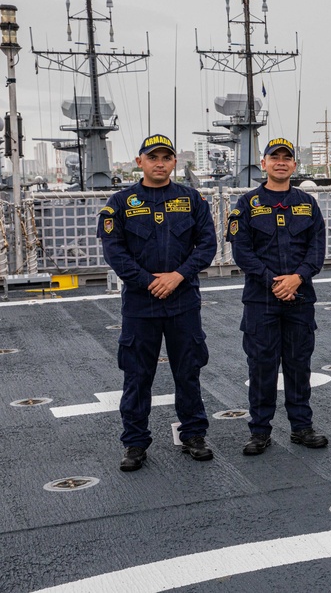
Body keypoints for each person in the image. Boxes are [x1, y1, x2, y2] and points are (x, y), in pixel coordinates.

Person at [98, 134, 217, 472]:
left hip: (183, 301)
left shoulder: (192, 199)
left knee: (188, 371)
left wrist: (177, 277)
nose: (160, 163)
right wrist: (150, 281)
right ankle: (135, 443)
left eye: (166, 157)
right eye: (153, 157)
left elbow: (207, 245)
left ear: (174, 162)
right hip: (140, 304)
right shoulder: (120, 204)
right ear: (140, 162)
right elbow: (115, 253)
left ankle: (194, 434)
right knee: (137, 375)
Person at [226, 137, 329, 456]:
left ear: (294, 165)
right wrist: (274, 281)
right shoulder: (246, 204)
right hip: (261, 300)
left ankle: (301, 427)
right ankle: (260, 431)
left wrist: (297, 278)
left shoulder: (307, 204)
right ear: (264, 162)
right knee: (261, 366)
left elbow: (317, 248)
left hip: (299, 297)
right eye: (275, 157)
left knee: (299, 365)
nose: (281, 162)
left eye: (287, 158)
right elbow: (241, 251)